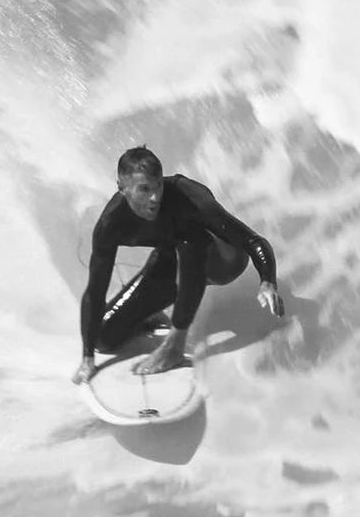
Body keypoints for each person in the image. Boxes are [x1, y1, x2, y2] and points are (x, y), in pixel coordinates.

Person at [73, 145, 283, 384]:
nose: (155, 197)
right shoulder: (111, 224)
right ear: (122, 188)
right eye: (145, 189)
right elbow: (95, 292)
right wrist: (87, 358)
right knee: (104, 336)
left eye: (159, 185)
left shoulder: (187, 196)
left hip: (223, 258)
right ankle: (148, 313)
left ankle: (175, 344)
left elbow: (252, 240)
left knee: (190, 239)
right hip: (173, 256)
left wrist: (267, 280)